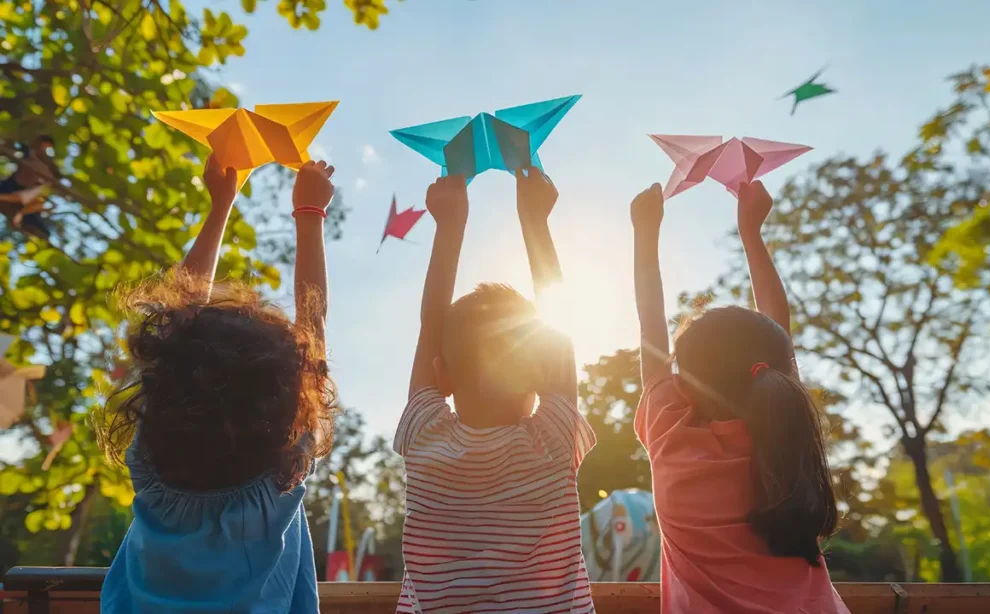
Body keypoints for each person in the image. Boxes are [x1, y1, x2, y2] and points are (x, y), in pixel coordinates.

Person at [95, 156, 339, 613]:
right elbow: (314, 328)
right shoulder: (281, 475)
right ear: (290, 392)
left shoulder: (149, 467)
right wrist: (310, 215)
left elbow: (177, 324)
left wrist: (220, 204)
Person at [630, 180, 850, 614]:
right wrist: (751, 232)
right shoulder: (787, 437)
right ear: (776, 369)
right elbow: (777, 339)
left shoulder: (672, 437)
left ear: (685, 384)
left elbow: (650, 326)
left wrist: (645, 233)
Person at [393, 168, 597, 613]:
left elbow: (431, 326)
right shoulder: (553, 443)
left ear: (441, 375)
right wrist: (535, 221)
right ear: (541, 371)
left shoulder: (424, 436)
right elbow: (560, 331)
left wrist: (449, 226)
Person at [0, 135, 57, 239]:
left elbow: (26, 200)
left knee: (43, 232)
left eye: (47, 147)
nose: (44, 149)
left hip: (24, 199)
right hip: (12, 187)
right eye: (43, 145)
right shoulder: (27, 152)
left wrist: (20, 214)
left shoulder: (47, 171)